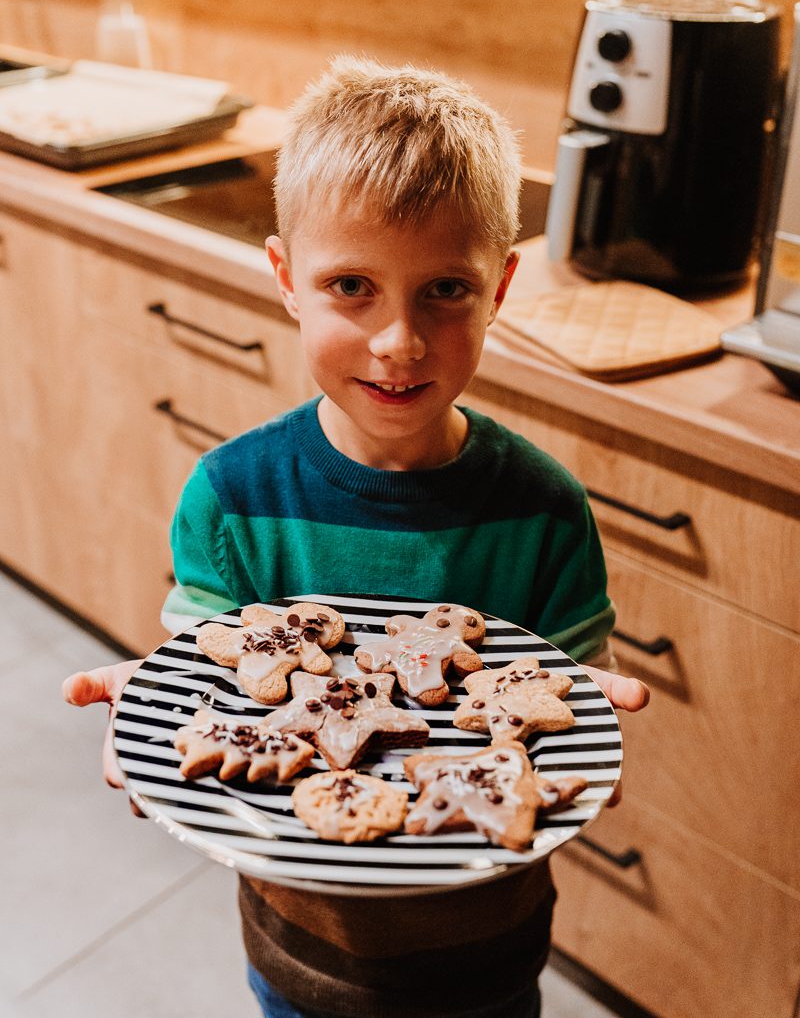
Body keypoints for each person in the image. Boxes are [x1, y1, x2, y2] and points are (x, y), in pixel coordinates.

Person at [63, 55, 649, 1018]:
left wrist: (591, 722)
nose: (399, 342)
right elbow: (207, 680)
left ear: (500, 286)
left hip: (486, 945)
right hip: (303, 942)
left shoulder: (545, 511)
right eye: (351, 285)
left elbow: (574, 696)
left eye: (445, 289)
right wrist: (155, 707)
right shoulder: (231, 500)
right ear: (287, 279)